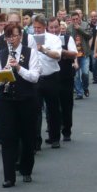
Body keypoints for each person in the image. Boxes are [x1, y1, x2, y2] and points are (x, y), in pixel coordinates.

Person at [0, 22, 40, 187]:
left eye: (14, 35)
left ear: (20, 36)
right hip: (6, 100)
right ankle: (9, 176)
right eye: (8, 36)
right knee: (7, 137)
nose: (11, 39)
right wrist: (4, 72)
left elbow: (34, 77)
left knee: (27, 137)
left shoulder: (31, 53)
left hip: (27, 99)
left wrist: (18, 68)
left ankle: (26, 169)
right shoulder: (1, 54)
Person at [46, 16, 78, 142]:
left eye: (56, 27)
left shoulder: (67, 38)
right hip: (50, 77)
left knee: (66, 104)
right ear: (47, 28)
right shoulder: (45, 40)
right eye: (51, 27)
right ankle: (53, 132)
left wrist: (61, 51)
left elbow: (74, 53)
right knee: (51, 106)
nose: (54, 30)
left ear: (60, 27)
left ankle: (66, 130)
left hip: (65, 76)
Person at [32, 15, 61, 148]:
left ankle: (54, 138)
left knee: (53, 109)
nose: (36, 30)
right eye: (35, 27)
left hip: (51, 77)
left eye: (39, 27)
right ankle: (36, 140)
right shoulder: (29, 38)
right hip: (36, 79)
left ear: (45, 27)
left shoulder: (53, 39)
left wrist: (43, 49)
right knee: (35, 111)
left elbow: (57, 55)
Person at [66, 11, 92, 99]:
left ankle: (85, 87)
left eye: (77, 19)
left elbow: (89, 36)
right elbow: (68, 40)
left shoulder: (85, 25)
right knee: (76, 76)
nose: (75, 21)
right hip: (74, 55)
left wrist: (79, 28)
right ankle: (79, 93)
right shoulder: (69, 28)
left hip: (84, 53)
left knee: (85, 73)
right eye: (73, 19)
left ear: (79, 18)